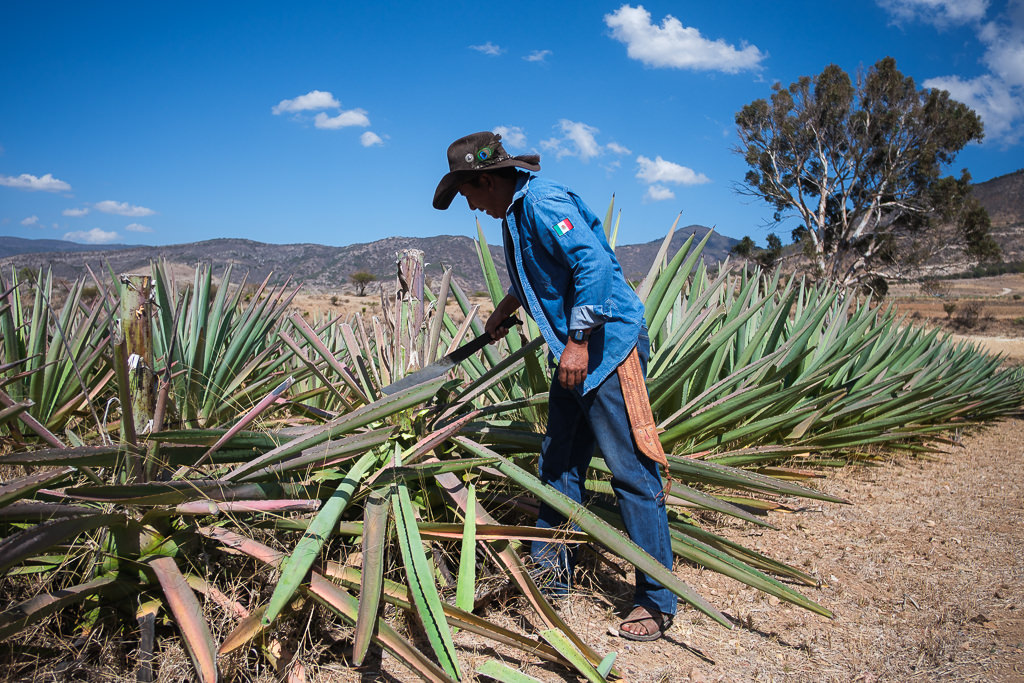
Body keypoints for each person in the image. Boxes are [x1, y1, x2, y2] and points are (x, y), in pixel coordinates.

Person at [433, 131, 676, 641]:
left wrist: (580, 340)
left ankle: (657, 599)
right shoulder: (516, 213)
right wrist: (508, 305)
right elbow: (543, 272)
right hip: (576, 355)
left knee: (632, 472)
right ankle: (550, 578)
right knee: (559, 461)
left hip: (608, 351)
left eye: (470, 195)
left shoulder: (542, 202)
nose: (473, 207)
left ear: (484, 178)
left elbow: (591, 264)